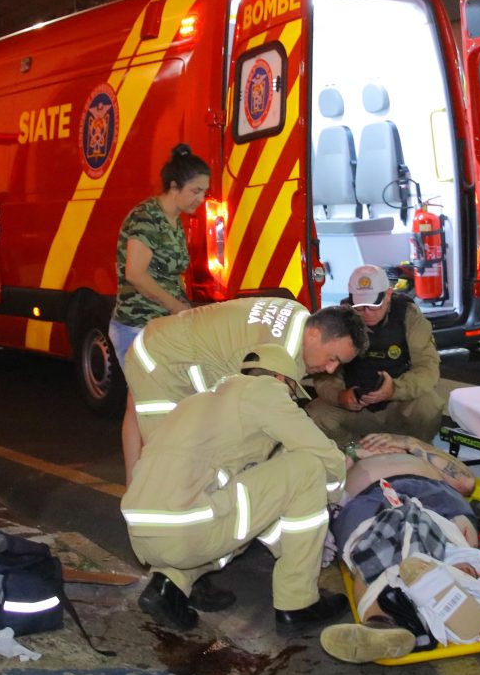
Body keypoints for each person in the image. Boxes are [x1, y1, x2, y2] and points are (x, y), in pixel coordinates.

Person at [121, 344, 350, 635]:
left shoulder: (195, 402)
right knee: (308, 468)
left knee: (229, 504)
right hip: (186, 530)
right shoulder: (265, 391)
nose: (292, 401)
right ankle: (298, 603)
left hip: (143, 534)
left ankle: (169, 585)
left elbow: (256, 496)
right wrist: (333, 501)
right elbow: (322, 454)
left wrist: (282, 536)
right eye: (293, 394)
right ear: (281, 380)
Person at [317, 433, 480, 663]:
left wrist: (410, 443)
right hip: (371, 498)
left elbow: (465, 482)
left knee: (447, 534)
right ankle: (385, 624)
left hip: (433, 493)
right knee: (372, 542)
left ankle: (394, 616)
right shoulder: (343, 457)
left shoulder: (418, 452)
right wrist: (352, 453)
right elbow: (315, 492)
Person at [121, 296, 369, 482]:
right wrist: (335, 460)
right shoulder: (278, 360)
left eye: (338, 364)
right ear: (315, 334)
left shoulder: (297, 313)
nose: (329, 369)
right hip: (164, 362)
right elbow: (278, 428)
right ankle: (152, 519)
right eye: (332, 358)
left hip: (159, 336)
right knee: (167, 457)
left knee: (138, 412)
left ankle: (133, 502)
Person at [112, 144, 210, 483]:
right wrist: (176, 306)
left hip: (162, 325)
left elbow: (170, 275)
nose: (201, 198)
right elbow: (136, 274)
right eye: (196, 190)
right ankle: (136, 483)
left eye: (204, 191)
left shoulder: (172, 220)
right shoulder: (146, 219)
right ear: (174, 187)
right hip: (137, 325)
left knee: (164, 402)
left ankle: (156, 478)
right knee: (138, 406)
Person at [307, 265, 443, 449]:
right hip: (356, 410)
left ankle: (413, 449)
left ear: (387, 294)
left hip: (397, 405)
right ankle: (355, 451)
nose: (367, 312)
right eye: (360, 306)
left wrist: (395, 389)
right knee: (316, 413)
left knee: (428, 405)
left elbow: (428, 369)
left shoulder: (408, 316)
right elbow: (324, 376)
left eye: (373, 305)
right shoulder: (340, 320)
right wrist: (340, 397)